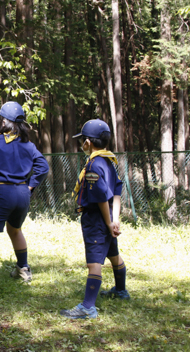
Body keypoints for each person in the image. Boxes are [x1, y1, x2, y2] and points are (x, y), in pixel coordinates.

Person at [0, 101, 49, 300]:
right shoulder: (28, 144)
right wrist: (30, 185)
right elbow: (43, 167)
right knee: (15, 229)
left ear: (4, 121)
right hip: (22, 193)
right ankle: (23, 268)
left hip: (1, 192)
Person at [60, 119, 130, 319]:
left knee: (94, 263)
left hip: (97, 219)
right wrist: (115, 220)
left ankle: (88, 307)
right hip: (108, 216)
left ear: (89, 142)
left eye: (82, 140)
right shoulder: (108, 160)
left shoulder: (94, 164)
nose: (81, 144)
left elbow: (100, 197)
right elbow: (117, 190)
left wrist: (108, 222)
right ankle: (120, 290)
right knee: (113, 254)